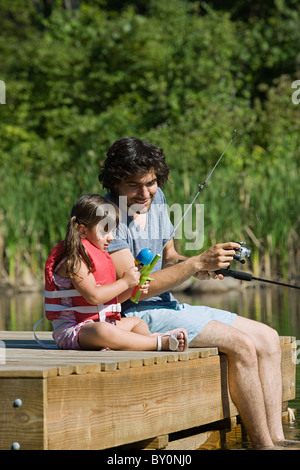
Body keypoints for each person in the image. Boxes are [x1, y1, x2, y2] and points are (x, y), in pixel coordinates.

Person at [98, 137, 291, 449]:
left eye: (151, 182)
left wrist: (200, 265)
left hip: (168, 305)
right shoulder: (106, 216)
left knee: (268, 339)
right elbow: (134, 291)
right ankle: (262, 445)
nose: (145, 193)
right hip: (132, 315)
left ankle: (280, 441)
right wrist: (195, 264)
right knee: (241, 345)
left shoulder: (156, 199)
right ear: (115, 181)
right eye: (134, 185)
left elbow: (170, 255)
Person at [43, 193, 188, 352]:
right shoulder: (74, 261)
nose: (111, 237)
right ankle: (159, 343)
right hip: (75, 331)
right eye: (105, 231)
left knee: (136, 322)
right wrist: (124, 282)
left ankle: (150, 340)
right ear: (83, 231)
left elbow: (113, 300)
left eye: (113, 231)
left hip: (104, 323)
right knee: (103, 331)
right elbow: (94, 296)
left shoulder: (99, 256)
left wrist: (132, 288)